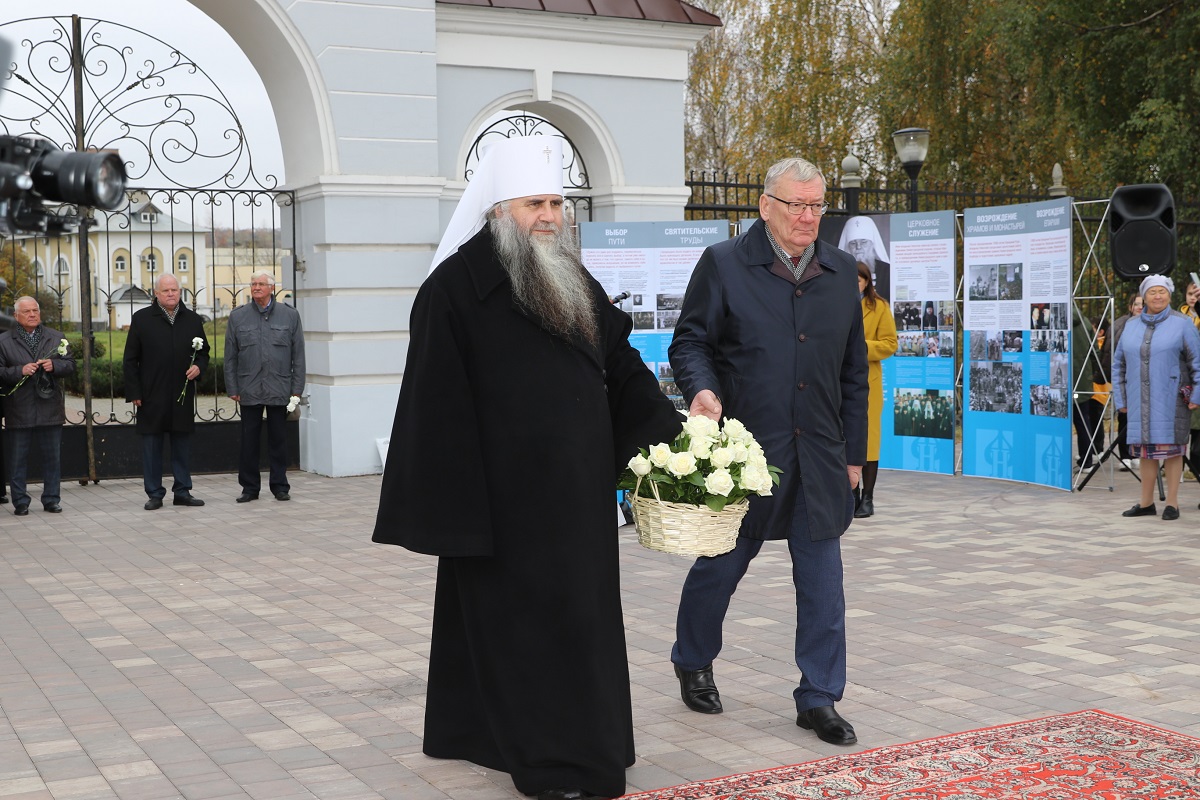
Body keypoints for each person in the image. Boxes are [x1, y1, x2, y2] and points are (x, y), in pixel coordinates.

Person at [371, 136, 680, 800]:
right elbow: (434, 410)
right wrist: (460, 518)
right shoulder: (453, 291)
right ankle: (552, 768)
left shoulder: (572, 277)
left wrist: (675, 439)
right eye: (536, 203)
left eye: (557, 203)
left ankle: (591, 747)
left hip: (580, 503)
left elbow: (621, 369)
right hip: (506, 511)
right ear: (498, 210)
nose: (550, 216)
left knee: (585, 630)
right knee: (527, 638)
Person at [668, 156, 868, 746]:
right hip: (747, 455)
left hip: (821, 458)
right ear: (765, 206)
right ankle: (692, 657)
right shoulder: (725, 265)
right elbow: (690, 341)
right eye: (796, 205)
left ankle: (818, 696)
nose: (809, 217)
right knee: (720, 570)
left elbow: (854, 373)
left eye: (816, 205)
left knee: (824, 585)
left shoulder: (839, 272)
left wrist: (854, 455)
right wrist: (701, 388)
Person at [1112, 275, 1200, 521]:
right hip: (1139, 398)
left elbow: (1198, 363)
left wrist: (1197, 393)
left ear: (1169, 295)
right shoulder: (1130, 326)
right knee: (1145, 450)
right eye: (1152, 292)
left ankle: (1172, 503)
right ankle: (1146, 502)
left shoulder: (1183, 324)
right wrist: (1121, 399)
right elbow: (1118, 365)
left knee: (1173, 450)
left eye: (1162, 291)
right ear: (1144, 297)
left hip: (1172, 397)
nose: (1157, 296)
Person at [124, 273, 211, 510]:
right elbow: (130, 359)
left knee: (181, 444)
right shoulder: (142, 319)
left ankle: (182, 490)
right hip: (151, 393)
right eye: (165, 291)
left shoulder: (192, 319)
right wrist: (135, 392)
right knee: (151, 446)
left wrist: (198, 367)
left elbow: (203, 352)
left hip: (181, 393)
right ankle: (154, 493)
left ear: (179, 292)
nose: (171, 294)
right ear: (156, 293)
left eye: (174, 290)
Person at [225, 271, 305, 503]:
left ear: (272, 288)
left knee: (278, 440)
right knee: (249, 441)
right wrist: (232, 387)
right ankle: (249, 488)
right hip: (248, 387)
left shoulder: (289, 316)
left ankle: (280, 486)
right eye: (253, 284)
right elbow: (230, 356)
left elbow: (298, 355)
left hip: (279, 387)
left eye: (261, 284)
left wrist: (296, 388)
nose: (256, 287)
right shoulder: (238, 317)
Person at [0, 297, 75, 515]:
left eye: (35, 310)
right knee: (18, 459)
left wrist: (55, 366)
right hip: (19, 408)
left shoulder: (56, 337)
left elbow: (71, 365)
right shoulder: (4, 341)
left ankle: (51, 499)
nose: (32, 314)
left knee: (52, 458)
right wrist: (19, 371)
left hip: (49, 407)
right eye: (27, 311)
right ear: (16, 316)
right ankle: (20, 501)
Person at [855, 261, 896, 518]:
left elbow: (890, 344)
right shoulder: (831, 304)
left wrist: (860, 347)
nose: (853, 285)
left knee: (868, 441)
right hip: (835, 383)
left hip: (867, 383)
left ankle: (867, 498)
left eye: (858, 280)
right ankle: (851, 495)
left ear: (867, 282)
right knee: (842, 439)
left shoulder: (878, 307)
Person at [837, 215, 890, 301]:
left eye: (864, 242)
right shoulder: (840, 271)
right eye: (853, 243)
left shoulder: (887, 271)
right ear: (848, 247)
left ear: (872, 244)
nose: (858, 247)